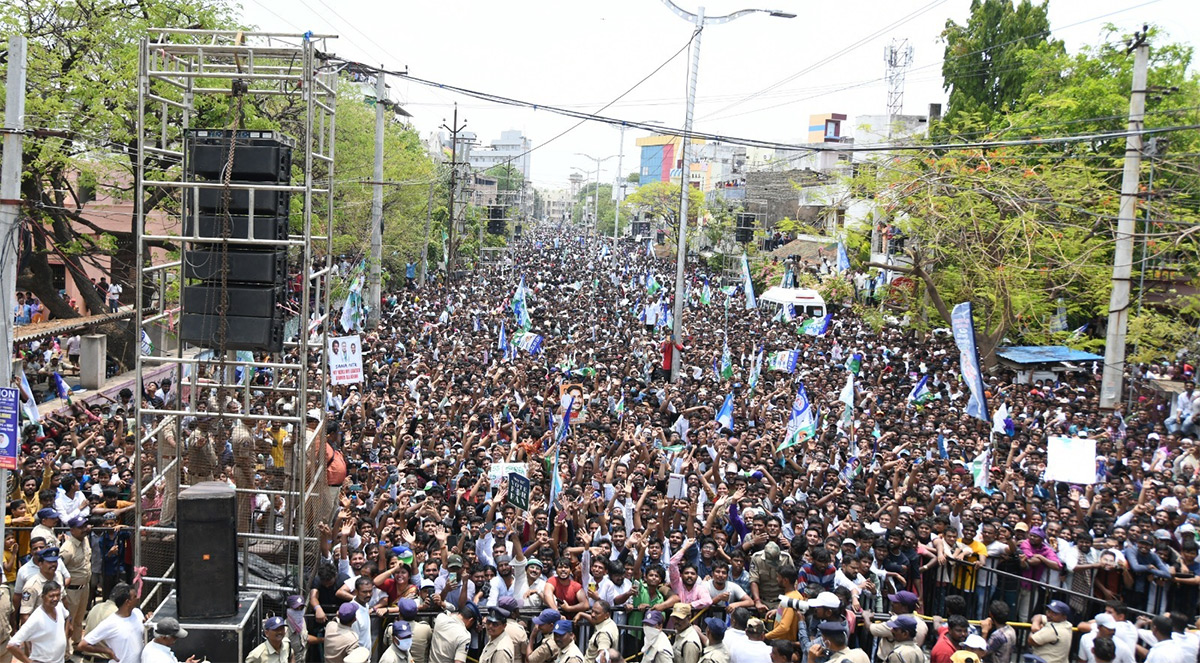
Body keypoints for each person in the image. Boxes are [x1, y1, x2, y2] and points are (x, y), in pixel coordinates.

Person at [77, 582, 145, 663]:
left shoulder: (96, 607)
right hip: (104, 659)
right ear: (127, 602)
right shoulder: (113, 619)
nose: (138, 598)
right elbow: (83, 645)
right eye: (135, 596)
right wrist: (108, 651)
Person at [7, 580, 67, 663]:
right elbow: (11, 645)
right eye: (51, 596)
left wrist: (65, 636)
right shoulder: (36, 618)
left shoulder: (59, 606)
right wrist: (29, 662)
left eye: (58, 595)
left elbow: (68, 617)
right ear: (43, 597)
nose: (55, 599)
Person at [58, 515, 91, 649]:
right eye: (80, 527)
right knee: (68, 622)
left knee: (79, 620)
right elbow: (58, 570)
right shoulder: (67, 549)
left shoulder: (85, 540)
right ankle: (65, 652)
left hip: (85, 587)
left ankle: (77, 645)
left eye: (85, 526)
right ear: (72, 530)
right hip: (71, 590)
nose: (84, 529)